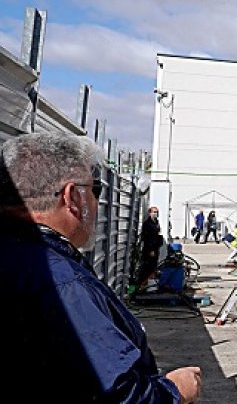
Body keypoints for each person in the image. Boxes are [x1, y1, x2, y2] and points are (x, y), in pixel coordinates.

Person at [0, 132, 202, 402]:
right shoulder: (61, 284)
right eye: (95, 190)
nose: (96, 203)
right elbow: (118, 394)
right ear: (72, 197)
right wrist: (175, 389)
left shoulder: (17, 255)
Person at [137, 205, 165, 286]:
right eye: (154, 212)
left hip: (155, 247)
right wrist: (151, 249)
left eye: (157, 212)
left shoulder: (156, 222)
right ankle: (143, 284)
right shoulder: (147, 224)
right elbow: (147, 238)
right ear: (150, 213)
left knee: (153, 266)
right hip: (150, 249)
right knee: (148, 267)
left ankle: (150, 283)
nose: (156, 214)